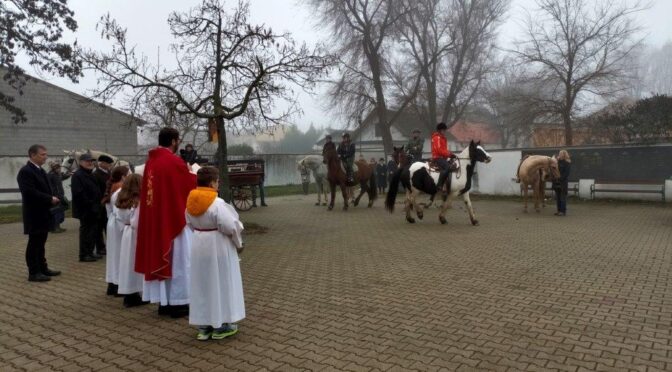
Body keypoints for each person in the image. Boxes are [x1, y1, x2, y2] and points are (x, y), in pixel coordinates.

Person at [135, 127, 197, 318]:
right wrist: (195, 173)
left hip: (158, 219)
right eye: (178, 140)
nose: (178, 143)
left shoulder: (152, 161)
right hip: (173, 221)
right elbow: (188, 185)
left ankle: (165, 302)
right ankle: (178, 303)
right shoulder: (173, 161)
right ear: (173, 141)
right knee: (180, 262)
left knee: (170, 261)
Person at [186, 166, 245, 341]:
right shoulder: (217, 203)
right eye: (217, 181)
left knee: (202, 283)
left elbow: (188, 222)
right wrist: (238, 240)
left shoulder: (190, 200)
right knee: (221, 282)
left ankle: (204, 325)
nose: (218, 184)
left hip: (198, 243)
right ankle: (222, 325)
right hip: (218, 245)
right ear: (212, 182)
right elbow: (231, 226)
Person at [16, 144, 62, 282]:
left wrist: (53, 196)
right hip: (34, 214)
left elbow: (46, 188)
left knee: (41, 243)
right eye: (42, 154)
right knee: (34, 243)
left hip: (43, 213)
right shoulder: (26, 171)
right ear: (32, 155)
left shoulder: (41, 170)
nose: (45, 157)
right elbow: (29, 192)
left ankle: (43, 268)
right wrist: (49, 198)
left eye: (45, 154)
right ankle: (33, 272)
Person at [116, 174, 149, 307]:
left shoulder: (121, 199)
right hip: (137, 233)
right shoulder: (138, 201)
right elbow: (138, 221)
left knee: (127, 263)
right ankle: (137, 292)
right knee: (136, 262)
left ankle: (129, 292)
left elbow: (118, 217)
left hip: (127, 233)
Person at [71, 153, 103, 262]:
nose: (90, 163)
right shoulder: (78, 175)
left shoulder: (90, 174)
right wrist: (90, 204)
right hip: (86, 209)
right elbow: (79, 194)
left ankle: (90, 252)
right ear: (81, 162)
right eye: (87, 161)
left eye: (91, 161)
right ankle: (84, 254)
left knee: (92, 232)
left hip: (94, 208)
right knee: (86, 232)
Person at [104, 166, 129, 296]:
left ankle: (112, 284)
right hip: (119, 224)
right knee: (120, 254)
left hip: (112, 222)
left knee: (113, 254)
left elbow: (108, 208)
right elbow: (121, 212)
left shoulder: (111, 187)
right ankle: (119, 283)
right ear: (123, 176)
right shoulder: (121, 190)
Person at [93, 155, 114, 256]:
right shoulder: (96, 174)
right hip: (101, 204)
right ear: (102, 163)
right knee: (99, 227)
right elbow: (96, 190)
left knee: (107, 226)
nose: (110, 166)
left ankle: (109, 245)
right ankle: (100, 247)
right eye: (108, 164)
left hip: (108, 204)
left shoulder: (109, 173)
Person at [47, 161, 71, 233]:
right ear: (53, 168)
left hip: (60, 195)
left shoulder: (57, 174)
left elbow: (62, 177)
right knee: (57, 212)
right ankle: (55, 228)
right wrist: (52, 196)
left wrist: (69, 174)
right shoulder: (50, 175)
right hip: (55, 196)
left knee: (61, 211)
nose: (59, 169)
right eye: (57, 168)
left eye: (59, 167)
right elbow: (48, 186)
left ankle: (57, 227)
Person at [431, 122, 455, 192]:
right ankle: (439, 185)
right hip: (437, 157)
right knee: (447, 167)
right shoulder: (437, 138)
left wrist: (451, 154)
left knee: (453, 164)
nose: (445, 131)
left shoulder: (443, 138)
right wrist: (449, 154)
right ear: (440, 130)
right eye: (443, 130)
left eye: (445, 130)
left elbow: (444, 150)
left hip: (443, 157)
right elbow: (439, 150)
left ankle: (448, 185)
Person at [553, 150, 572, 216]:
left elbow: (566, 174)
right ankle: (558, 211)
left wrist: (560, 178)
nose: (559, 155)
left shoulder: (567, 163)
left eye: (560, 154)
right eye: (559, 154)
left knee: (562, 197)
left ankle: (563, 211)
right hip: (556, 182)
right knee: (557, 197)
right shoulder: (557, 162)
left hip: (563, 183)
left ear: (564, 155)